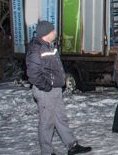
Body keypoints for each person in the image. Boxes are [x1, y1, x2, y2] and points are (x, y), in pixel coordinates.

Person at [26, 20, 91, 155]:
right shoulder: (36, 49)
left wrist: (58, 84)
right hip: (45, 91)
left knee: (60, 118)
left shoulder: (49, 45)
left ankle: (71, 145)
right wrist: (47, 86)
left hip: (54, 89)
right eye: (53, 30)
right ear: (46, 33)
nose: (55, 32)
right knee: (47, 122)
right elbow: (33, 74)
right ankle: (47, 151)